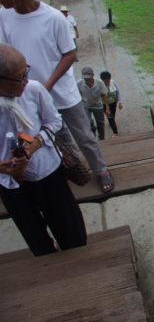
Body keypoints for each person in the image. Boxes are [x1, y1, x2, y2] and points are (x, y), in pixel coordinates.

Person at [0, 0, 114, 192]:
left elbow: (70, 54)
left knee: (83, 135)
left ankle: (101, 170)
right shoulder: (4, 17)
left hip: (61, 93)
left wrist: (47, 86)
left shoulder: (53, 17)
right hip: (27, 94)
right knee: (49, 139)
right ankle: (69, 172)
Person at [0, 43, 87, 256]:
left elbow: (54, 122)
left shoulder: (33, 90)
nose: (26, 80)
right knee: (34, 235)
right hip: (10, 183)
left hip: (47, 171)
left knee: (70, 229)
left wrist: (37, 142)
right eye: (20, 77)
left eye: (26, 71)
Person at [78, 67, 109, 140]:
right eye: (85, 78)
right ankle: (93, 136)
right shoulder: (79, 83)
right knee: (88, 122)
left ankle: (102, 138)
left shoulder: (99, 83)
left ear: (92, 75)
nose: (87, 80)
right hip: (85, 106)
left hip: (97, 105)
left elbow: (104, 96)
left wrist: (107, 108)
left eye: (88, 78)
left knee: (100, 123)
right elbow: (77, 96)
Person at [100, 71, 123, 137]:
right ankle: (115, 132)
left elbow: (117, 92)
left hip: (113, 103)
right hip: (105, 104)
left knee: (113, 114)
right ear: (102, 80)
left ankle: (112, 122)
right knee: (110, 117)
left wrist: (120, 102)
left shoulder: (112, 82)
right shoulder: (100, 85)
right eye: (105, 81)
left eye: (108, 80)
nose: (107, 82)